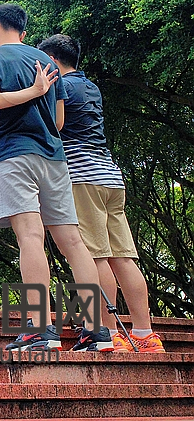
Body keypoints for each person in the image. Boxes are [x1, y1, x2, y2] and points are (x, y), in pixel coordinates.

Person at [0, 4, 110, 351]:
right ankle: (96, 331)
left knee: (31, 237)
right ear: (22, 31)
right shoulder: (47, 63)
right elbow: (59, 122)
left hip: (14, 156)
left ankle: (40, 329)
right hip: (54, 159)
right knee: (74, 243)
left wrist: (31, 94)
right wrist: (37, 97)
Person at [37, 34, 165, 352]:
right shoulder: (90, 86)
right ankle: (145, 334)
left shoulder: (59, 87)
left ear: (52, 60)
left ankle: (109, 333)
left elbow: (51, 127)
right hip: (110, 177)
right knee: (123, 257)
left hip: (82, 178)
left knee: (95, 256)